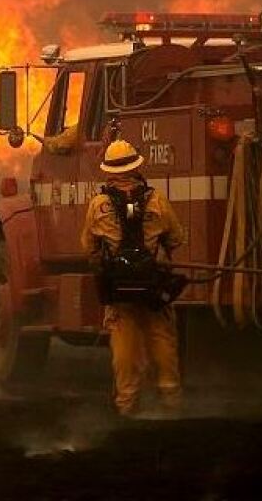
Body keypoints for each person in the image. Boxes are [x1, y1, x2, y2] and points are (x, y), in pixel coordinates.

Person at [81, 138, 186, 416]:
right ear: (136, 167)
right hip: (154, 291)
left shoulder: (98, 205)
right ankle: (170, 402)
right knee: (162, 341)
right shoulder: (158, 201)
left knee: (124, 350)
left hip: (119, 294)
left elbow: (89, 248)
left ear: (110, 172)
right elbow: (177, 239)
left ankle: (126, 406)